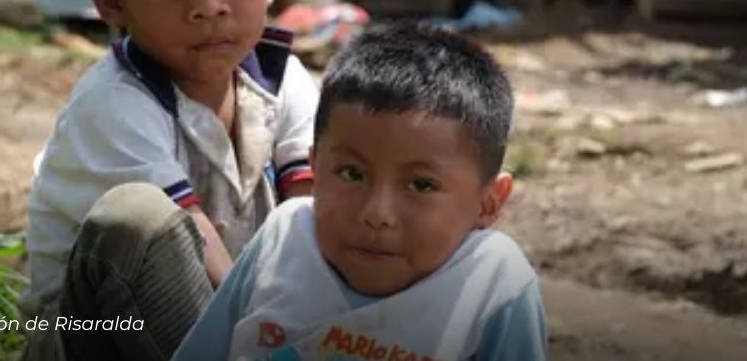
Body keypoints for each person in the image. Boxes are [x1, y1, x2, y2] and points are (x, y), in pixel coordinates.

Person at [20, 0, 317, 359]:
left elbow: (315, 213)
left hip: (247, 331)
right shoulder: (112, 103)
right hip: (98, 337)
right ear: (112, 2)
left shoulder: (284, 79)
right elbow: (196, 245)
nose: (209, 6)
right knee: (139, 216)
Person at [172, 22, 548, 360]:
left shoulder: (493, 285)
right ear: (315, 167)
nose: (377, 213)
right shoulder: (283, 239)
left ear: (489, 203)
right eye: (351, 173)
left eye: (421, 185)